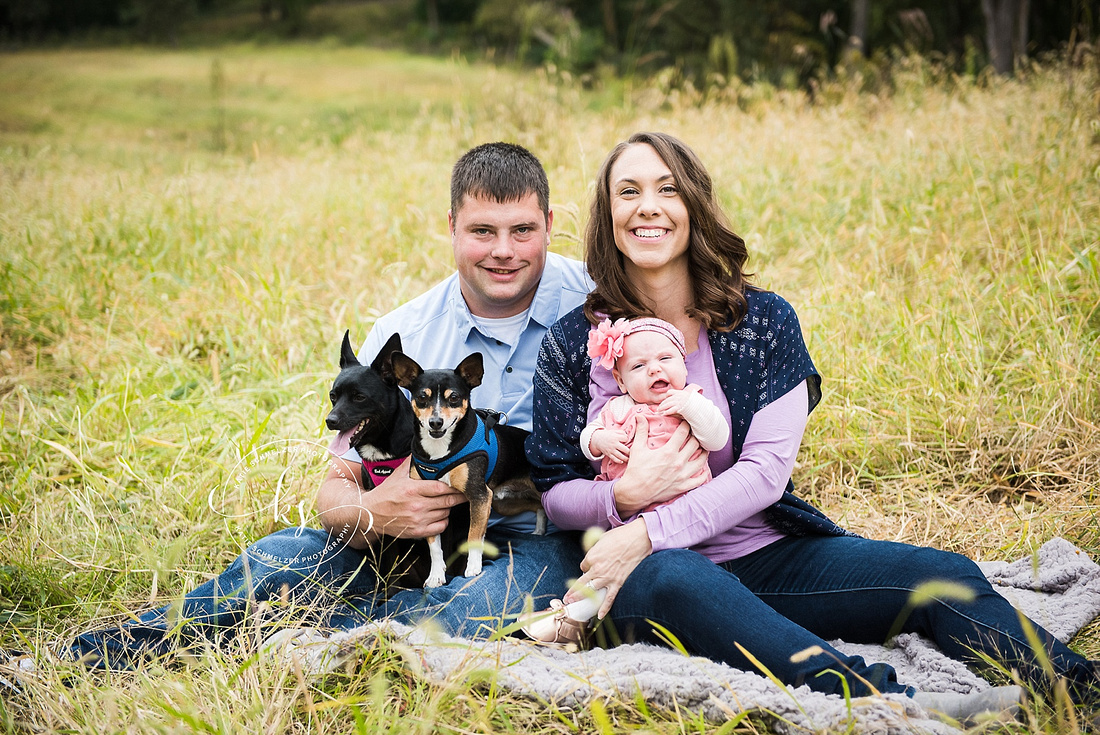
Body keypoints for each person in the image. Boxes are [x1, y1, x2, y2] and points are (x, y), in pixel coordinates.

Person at [526, 131, 1099, 720]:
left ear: (693, 205)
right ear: (609, 215)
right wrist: (624, 498)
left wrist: (651, 527)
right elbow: (557, 492)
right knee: (678, 577)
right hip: (641, 577)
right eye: (629, 191)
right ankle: (892, 703)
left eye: (667, 188)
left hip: (762, 554)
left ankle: (1080, 690)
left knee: (942, 575)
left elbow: (766, 474)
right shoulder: (575, 342)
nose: (648, 205)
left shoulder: (764, 322)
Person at [64, 142, 592, 669]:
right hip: (406, 539)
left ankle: (291, 647)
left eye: (522, 230)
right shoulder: (400, 338)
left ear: (549, 223)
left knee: (466, 608)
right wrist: (372, 510)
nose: (504, 250)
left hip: (536, 539)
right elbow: (336, 482)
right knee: (281, 561)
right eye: (482, 231)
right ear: (451, 226)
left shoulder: (596, 303)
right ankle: (81, 660)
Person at [522, 316, 728, 644]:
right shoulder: (619, 408)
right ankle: (573, 616)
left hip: (681, 514)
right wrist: (600, 441)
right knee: (604, 567)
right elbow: (588, 437)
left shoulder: (692, 400)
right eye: (638, 366)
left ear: (684, 364)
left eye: (665, 359)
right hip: (625, 519)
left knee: (650, 571)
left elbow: (717, 437)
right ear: (620, 380)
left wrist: (691, 407)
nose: (655, 370)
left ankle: (572, 618)